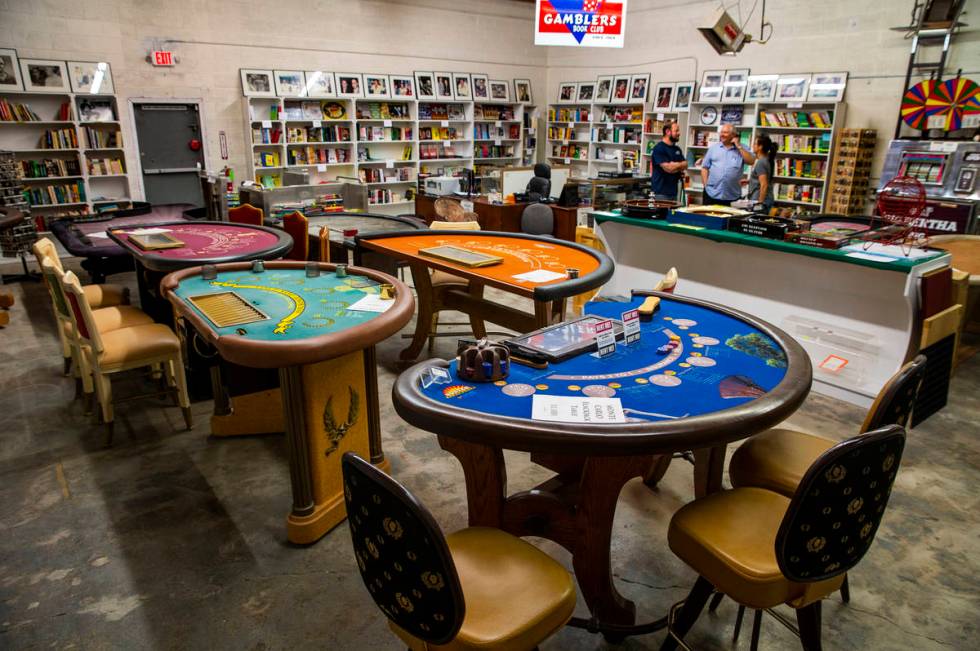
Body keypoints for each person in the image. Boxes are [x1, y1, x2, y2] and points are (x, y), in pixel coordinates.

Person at [700, 123, 755, 206]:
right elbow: (704, 168)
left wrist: (738, 146)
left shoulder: (743, 148)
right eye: (721, 132)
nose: (722, 134)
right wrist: (705, 185)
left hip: (732, 196)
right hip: (711, 194)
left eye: (725, 132)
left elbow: (751, 161)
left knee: (729, 219)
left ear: (733, 135)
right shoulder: (713, 148)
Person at [651, 121, 687, 201]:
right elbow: (669, 168)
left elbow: (686, 164)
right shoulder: (659, 148)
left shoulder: (677, 149)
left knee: (672, 213)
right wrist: (678, 166)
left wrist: (675, 165)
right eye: (676, 131)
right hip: (660, 193)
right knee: (662, 214)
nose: (679, 133)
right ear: (668, 132)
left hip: (674, 192)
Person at [745, 134, 777, 213]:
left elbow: (764, 185)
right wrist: (750, 181)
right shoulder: (766, 160)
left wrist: (759, 203)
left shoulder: (761, 162)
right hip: (765, 198)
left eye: (755, 144)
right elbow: (763, 179)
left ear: (760, 147)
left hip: (761, 199)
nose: (753, 146)